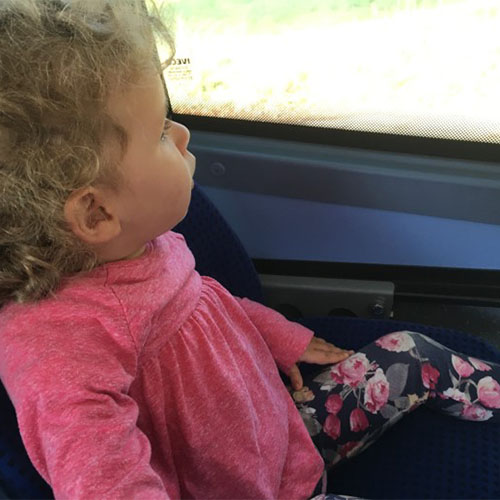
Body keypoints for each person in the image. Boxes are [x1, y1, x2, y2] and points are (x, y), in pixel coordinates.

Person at [0, 1, 498, 499]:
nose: (182, 133)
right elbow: (102, 481)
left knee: (413, 353)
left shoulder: (139, 244)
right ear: (95, 215)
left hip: (287, 431)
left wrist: (281, 337)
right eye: (159, 132)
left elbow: (203, 304)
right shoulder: (57, 351)